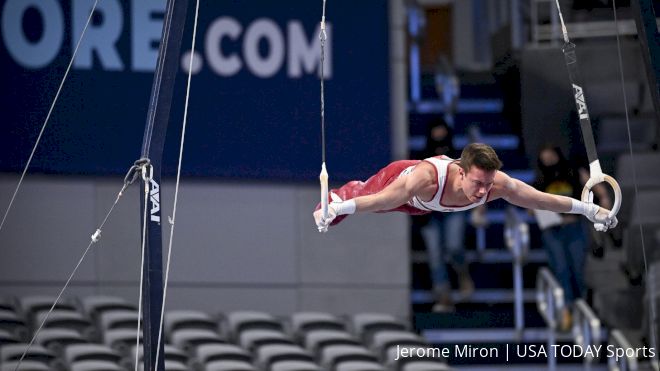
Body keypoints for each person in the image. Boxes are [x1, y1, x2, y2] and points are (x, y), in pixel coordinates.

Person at [313, 143, 617, 235]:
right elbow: (382, 200)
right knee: (364, 195)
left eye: (488, 183)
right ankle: (336, 198)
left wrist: (589, 209)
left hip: (425, 206)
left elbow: (542, 200)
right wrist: (341, 208)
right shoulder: (426, 178)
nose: (485, 191)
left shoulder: (497, 184)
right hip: (406, 187)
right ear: (460, 172)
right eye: (478, 183)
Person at [532, 145, 593, 331]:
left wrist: (604, 198)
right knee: (560, 267)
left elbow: (592, 186)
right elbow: (529, 206)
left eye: (551, 154)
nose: (549, 159)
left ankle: (583, 307)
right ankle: (566, 309)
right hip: (553, 229)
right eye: (545, 156)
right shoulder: (539, 181)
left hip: (574, 226)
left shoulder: (574, 172)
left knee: (579, 267)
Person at [418, 118, 473, 312]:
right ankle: (444, 295)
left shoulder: (459, 158)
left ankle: (462, 272)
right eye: (436, 131)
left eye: (442, 131)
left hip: (454, 208)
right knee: (435, 255)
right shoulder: (421, 159)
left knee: (454, 245)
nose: (439, 135)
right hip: (429, 213)